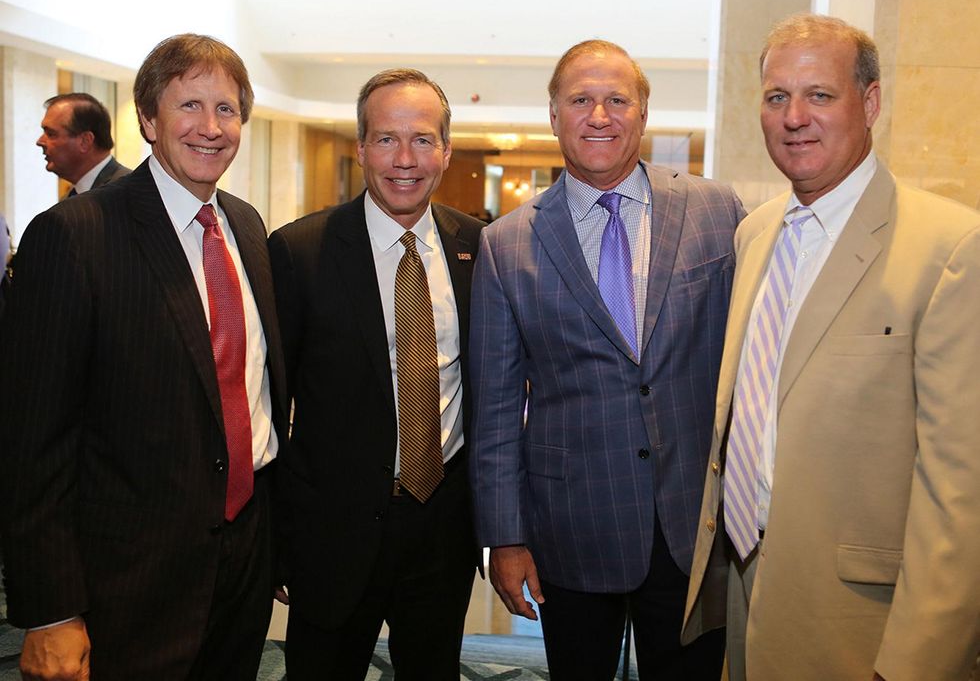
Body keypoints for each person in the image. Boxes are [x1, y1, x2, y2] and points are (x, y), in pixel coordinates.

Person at [682, 14, 980, 681]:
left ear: (869, 103)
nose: (795, 117)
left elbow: (961, 495)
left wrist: (915, 666)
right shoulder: (755, 234)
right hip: (745, 602)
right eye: (776, 96)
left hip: (864, 631)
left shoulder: (952, 248)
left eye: (819, 94)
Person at [0, 34, 287, 681]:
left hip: (243, 559)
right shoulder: (74, 237)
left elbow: (256, 390)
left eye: (227, 108)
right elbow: (31, 444)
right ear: (148, 120)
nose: (210, 127)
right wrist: (50, 611)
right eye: (189, 105)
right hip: (127, 581)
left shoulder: (246, 226)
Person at [469, 39, 744, 680]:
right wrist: (504, 537)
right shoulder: (507, 244)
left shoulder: (719, 212)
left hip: (693, 529)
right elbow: (498, 409)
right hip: (572, 526)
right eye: (581, 100)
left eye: (617, 99)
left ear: (643, 113)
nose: (600, 115)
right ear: (554, 115)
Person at [269, 68, 483, 680]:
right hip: (333, 531)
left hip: (443, 527)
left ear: (446, 150)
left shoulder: (480, 249)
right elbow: (272, 404)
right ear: (360, 148)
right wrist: (279, 543)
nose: (405, 159)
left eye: (422, 139)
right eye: (386, 139)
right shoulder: (301, 251)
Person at [36, 92, 130, 195]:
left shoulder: (129, 193)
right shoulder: (72, 197)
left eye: (51, 134)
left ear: (85, 141)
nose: (40, 142)